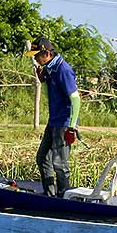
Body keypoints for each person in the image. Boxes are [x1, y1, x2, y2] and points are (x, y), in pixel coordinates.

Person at [26, 36, 81, 197]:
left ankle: (64, 196)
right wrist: (41, 76)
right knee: (42, 157)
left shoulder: (63, 70)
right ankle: (50, 195)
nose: (35, 58)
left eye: (37, 55)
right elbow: (49, 82)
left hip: (64, 122)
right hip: (54, 121)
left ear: (47, 52)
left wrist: (72, 127)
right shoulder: (51, 67)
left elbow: (76, 99)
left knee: (59, 162)